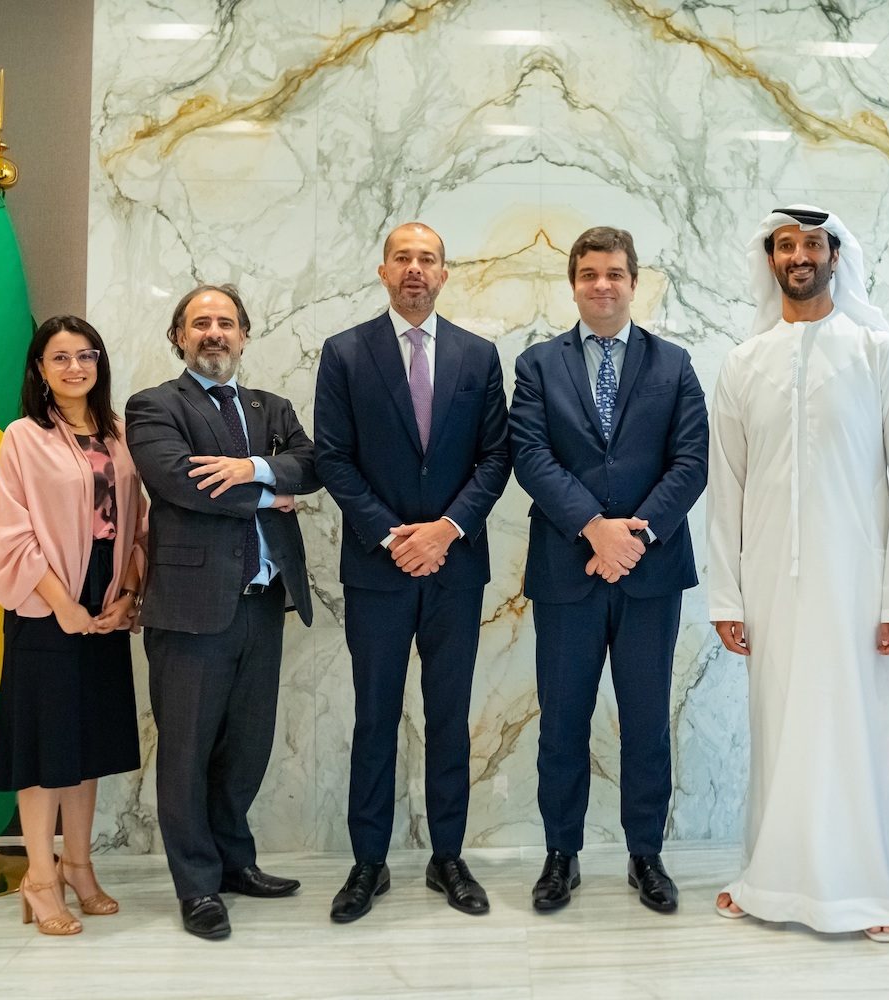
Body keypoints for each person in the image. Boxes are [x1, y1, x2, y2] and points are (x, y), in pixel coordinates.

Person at [705, 205, 889, 942]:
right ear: (770, 259)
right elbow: (726, 486)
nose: (798, 255)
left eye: (812, 244)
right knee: (778, 730)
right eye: (784, 245)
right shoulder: (744, 361)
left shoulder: (878, 351)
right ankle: (767, 879)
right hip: (771, 581)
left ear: (837, 255)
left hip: (858, 587)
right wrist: (727, 595)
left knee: (853, 730)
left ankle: (866, 891)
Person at [313, 222, 511, 923]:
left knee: (449, 718)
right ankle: (368, 863)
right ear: (383, 270)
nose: (416, 269)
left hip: (455, 569)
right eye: (404, 258)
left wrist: (446, 530)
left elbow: (496, 459)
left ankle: (447, 857)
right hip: (379, 568)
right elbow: (333, 458)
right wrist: (393, 535)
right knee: (374, 717)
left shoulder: (478, 356)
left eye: (429, 258)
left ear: (446, 272)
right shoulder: (344, 353)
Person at [510, 226, 708, 914]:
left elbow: (691, 462)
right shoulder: (537, 365)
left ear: (634, 280)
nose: (603, 284)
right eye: (590, 273)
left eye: (615, 273)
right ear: (574, 283)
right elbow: (530, 454)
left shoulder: (674, 363)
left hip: (650, 575)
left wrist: (637, 534)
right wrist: (594, 528)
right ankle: (560, 855)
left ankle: (645, 853)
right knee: (562, 722)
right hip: (568, 570)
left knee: (647, 721)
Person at [125, 284, 321, 941]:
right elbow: (178, 481)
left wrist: (254, 467)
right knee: (186, 752)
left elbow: (312, 464)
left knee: (246, 748)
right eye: (200, 323)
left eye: (226, 323)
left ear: (245, 334)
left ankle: (236, 862)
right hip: (189, 610)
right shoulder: (155, 405)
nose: (215, 332)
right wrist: (269, 497)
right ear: (179, 337)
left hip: (263, 605)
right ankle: (198, 887)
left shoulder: (272, 407)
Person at [0, 314, 147, 936]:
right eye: (61, 358)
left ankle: (80, 866)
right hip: (45, 601)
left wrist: (129, 592)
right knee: (44, 748)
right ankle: (40, 877)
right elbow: (13, 530)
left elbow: (138, 525)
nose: (75, 367)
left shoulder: (120, 432)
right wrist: (63, 603)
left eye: (86, 355)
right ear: (40, 370)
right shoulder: (22, 437)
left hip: (107, 595)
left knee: (88, 745)